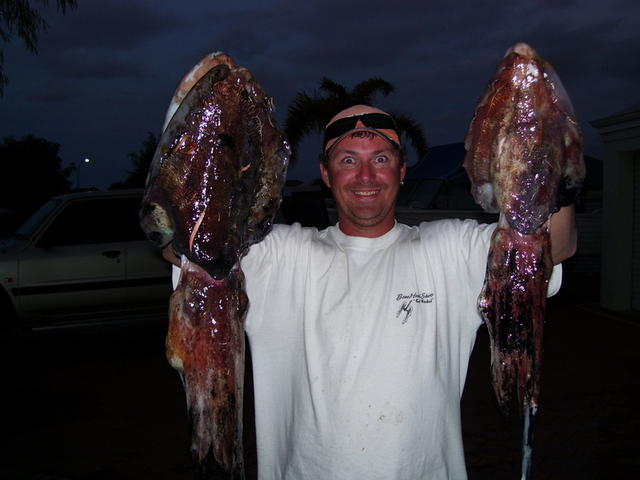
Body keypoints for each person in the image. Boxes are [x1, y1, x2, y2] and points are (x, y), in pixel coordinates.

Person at [164, 104, 576, 480]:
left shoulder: (449, 250)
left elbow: (551, 246)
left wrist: (552, 168)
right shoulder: (281, 256)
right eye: (348, 161)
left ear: (401, 171)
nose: (365, 177)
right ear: (326, 175)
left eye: (380, 159)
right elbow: (183, 246)